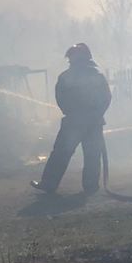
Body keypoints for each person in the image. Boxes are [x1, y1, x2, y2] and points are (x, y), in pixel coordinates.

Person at [32, 43, 111, 195]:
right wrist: (96, 114)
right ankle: (91, 186)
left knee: (61, 153)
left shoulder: (66, 76)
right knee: (92, 154)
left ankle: (49, 183)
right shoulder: (97, 76)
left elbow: (60, 98)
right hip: (93, 122)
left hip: (73, 123)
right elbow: (106, 98)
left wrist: (71, 112)